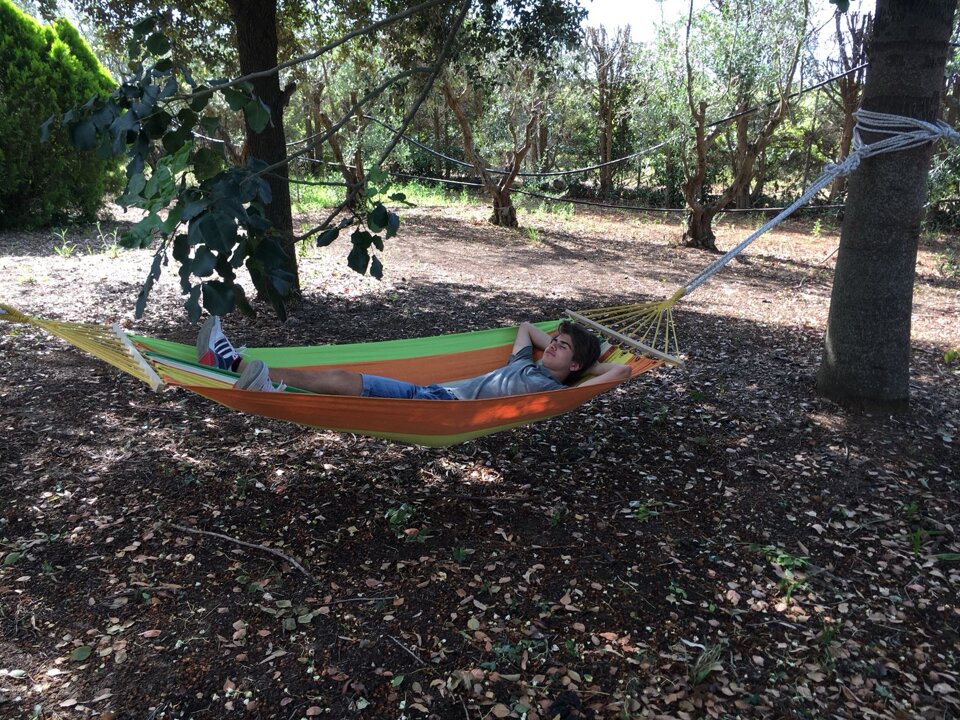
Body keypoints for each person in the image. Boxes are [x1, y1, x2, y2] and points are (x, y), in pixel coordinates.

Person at [197, 316, 631, 398]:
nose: (550, 344)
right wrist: (567, 344)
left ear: (575, 366)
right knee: (346, 378)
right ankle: (238, 367)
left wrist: (587, 368)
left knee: (347, 379)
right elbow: (525, 328)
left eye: (562, 347)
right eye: (554, 340)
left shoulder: (550, 391)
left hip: (437, 406)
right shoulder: (524, 363)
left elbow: (623, 369)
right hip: (433, 393)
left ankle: (246, 371)